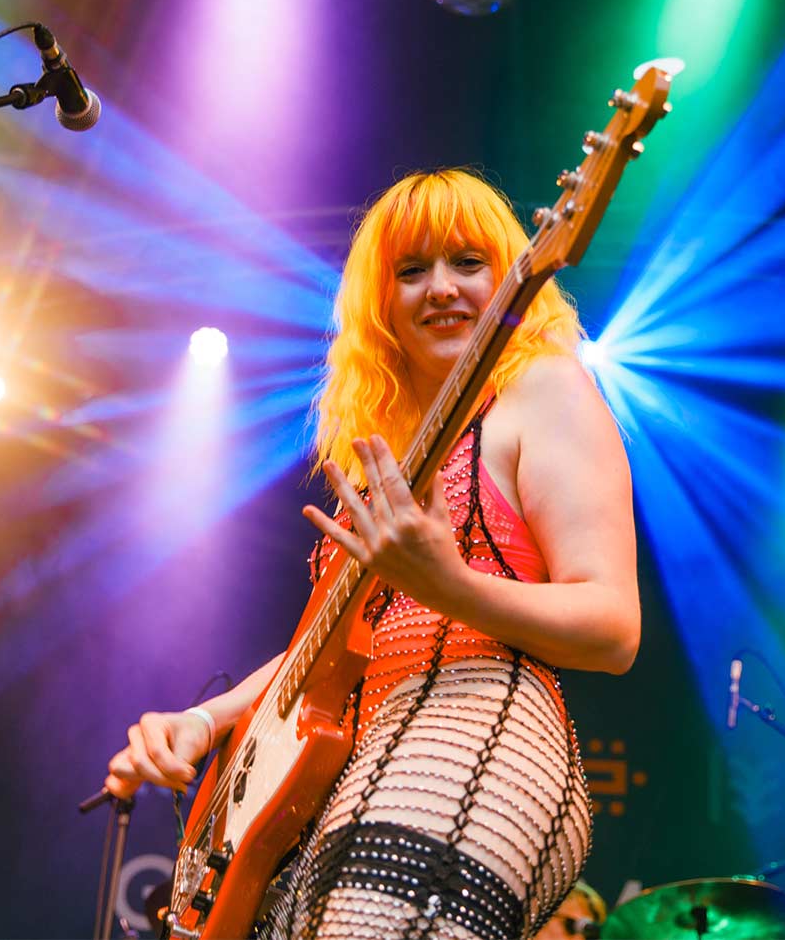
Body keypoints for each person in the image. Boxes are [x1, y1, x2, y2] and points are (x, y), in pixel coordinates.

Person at [104, 169, 639, 940]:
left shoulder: (543, 388)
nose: (441, 289)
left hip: (477, 730)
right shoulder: (377, 456)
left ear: (511, 272)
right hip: (347, 766)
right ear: (378, 303)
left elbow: (613, 626)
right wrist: (205, 720)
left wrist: (450, 585)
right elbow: (322, 649)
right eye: (410, 271)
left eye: (467, 261)